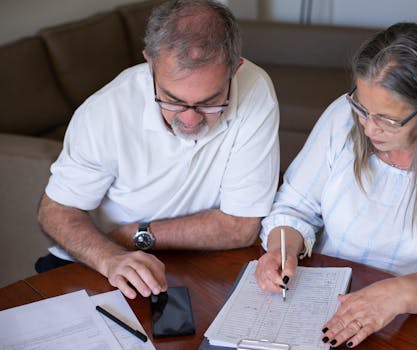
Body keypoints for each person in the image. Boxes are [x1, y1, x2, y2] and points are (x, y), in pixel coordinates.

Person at [254, 22, 417, 348]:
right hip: (322, 301)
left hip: (408, 322)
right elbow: (294, 205)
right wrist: (280, 248)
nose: (369, 128)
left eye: (387, 119)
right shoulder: (343, 117)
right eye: (362, 108)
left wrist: (393, 295)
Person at [37, 0, 279, 300]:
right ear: (150, 64)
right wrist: (110, 256)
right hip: (107, 260)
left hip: (192, 256)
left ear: (235, 68)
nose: (189, 119)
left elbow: (241, 226)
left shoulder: (256, 89)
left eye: (209, 101)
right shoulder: (105, 111)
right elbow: (56, 211)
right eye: (173, 99)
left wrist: (136, 235)